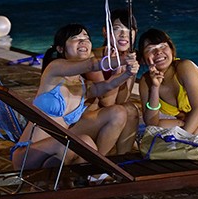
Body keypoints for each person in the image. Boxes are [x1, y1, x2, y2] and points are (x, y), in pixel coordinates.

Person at [11, 23, 139, 170]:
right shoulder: (54, 69)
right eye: (75, 38)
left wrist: (127, 73)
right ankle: (90, 173)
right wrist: (122, 59)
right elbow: (90, 65)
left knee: (93, 137)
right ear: (60, 49)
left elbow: (106, 86)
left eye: (86, 38)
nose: (83, 41)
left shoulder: (81, 84)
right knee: (76, 143)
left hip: (59, 150)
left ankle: (92, 175)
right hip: (29, 153)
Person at [83, 7, 139, 154]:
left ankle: (121, 159)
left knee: (131, 109)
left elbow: (122, 100)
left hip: (109, 114)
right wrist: (118, 72)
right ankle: (99, 162)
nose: (123, 34)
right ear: (105, 32)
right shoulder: (93, 59)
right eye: (117, 29)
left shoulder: (129, 58)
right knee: (118, 111)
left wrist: (128, 72)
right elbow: (107, 102)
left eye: (129, 29)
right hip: (84, 120)